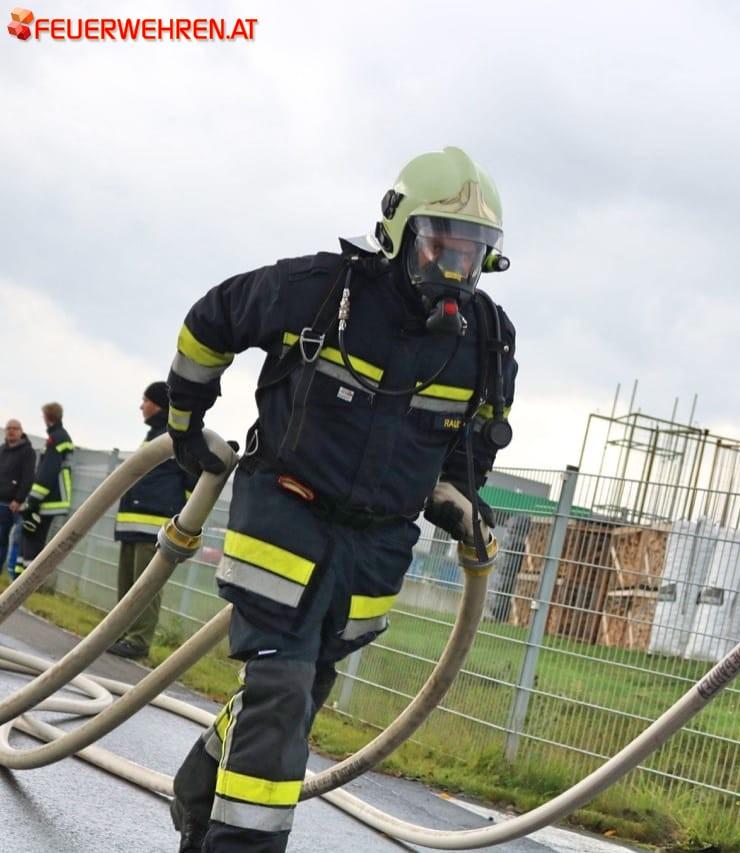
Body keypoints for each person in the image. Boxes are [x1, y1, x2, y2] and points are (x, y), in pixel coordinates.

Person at [166, 146, 517, 853]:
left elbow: (474, 439)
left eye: (472, 251)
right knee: (284, 690)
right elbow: (212, 320)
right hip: (286, 516)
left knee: (297, 696)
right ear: (398, 231)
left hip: (376, 545)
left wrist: (457, 494)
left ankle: (200, 786)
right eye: (441, 243)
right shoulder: (321, 290)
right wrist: (184, 419)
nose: (455, 268)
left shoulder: (484, 341)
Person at [107, 382, 195, 660]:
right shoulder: (154, 436)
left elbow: (193, 485)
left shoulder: (177, 439)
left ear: (158, 404)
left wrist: (184, 525)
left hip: (154, 528)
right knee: (128, 585)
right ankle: (119, 633)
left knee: (145, 588)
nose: (141, 406)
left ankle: (138, 640)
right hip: (133, 525)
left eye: (145, 400)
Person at [16, 403, 74, 576]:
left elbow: (47, 472)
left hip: (47, 501)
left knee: (32, 539)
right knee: (28, 536)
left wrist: (33, 500)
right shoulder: (61, 437)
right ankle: (18, 580)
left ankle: (25, 583)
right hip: (51, 499)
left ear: (47, 417)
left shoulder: (56, 439)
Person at [0, 419, 37, 579]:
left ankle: (15, 577)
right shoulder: (2, 450)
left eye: (15, 428)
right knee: (1, 540)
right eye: (8, 428)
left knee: (18, 541)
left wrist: (19, 498)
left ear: (21, 431)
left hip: (16, 505)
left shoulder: (27, 451)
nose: (11, 431)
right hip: (1, 503)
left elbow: (28, 477)